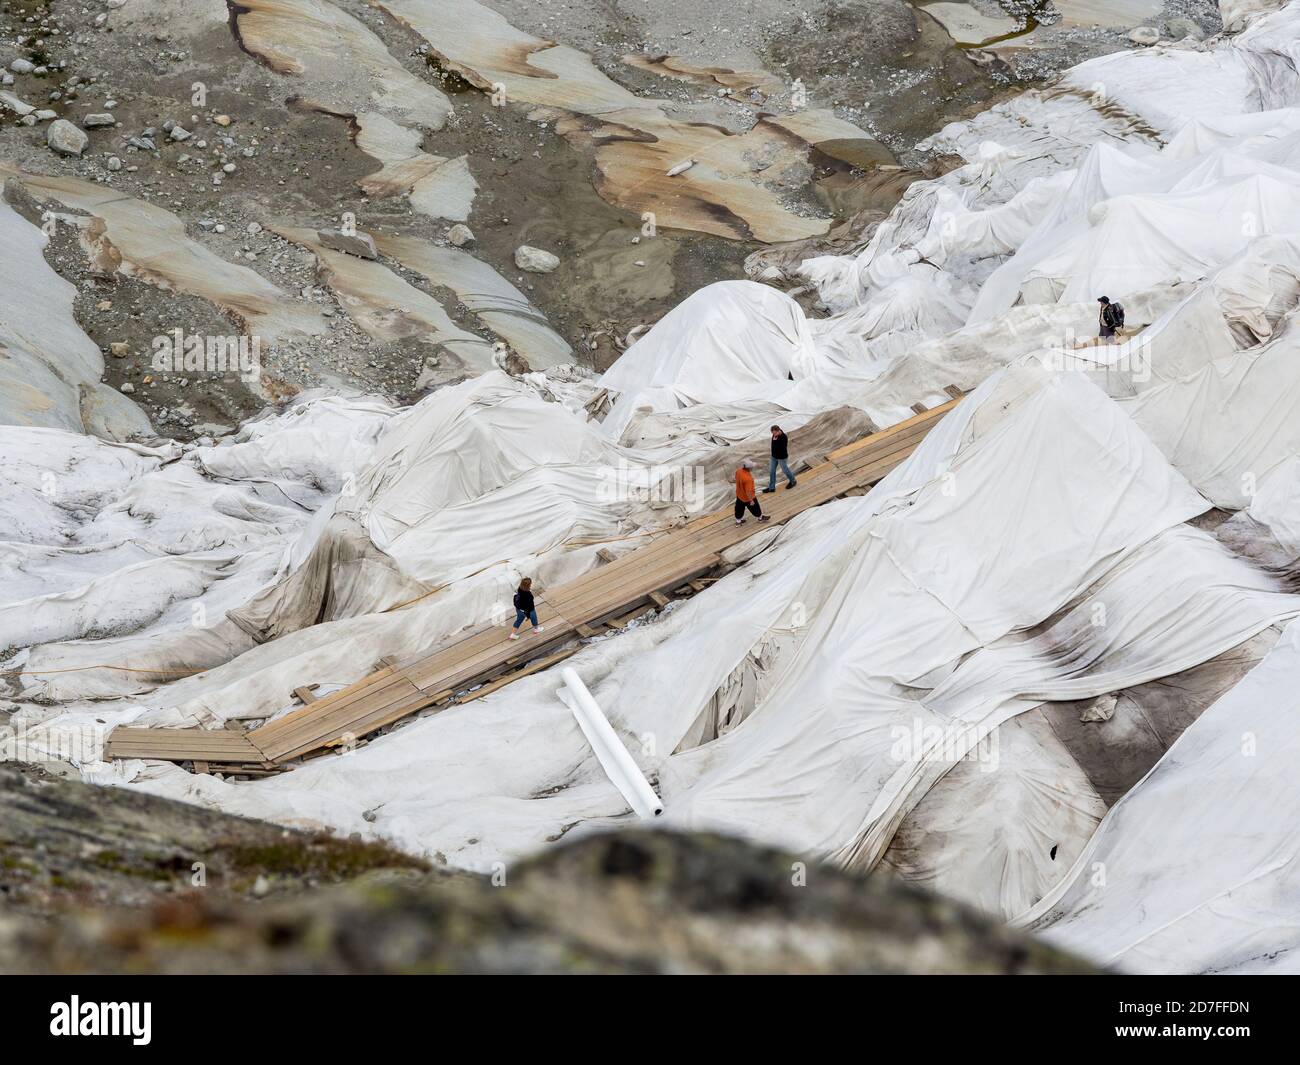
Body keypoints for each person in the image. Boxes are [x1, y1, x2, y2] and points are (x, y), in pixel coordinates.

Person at [734, 459, 771, 526]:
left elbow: (736, 478)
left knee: (739, 508)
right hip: (748, 497)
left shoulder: (738, 471)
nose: (753, 468)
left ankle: (738, 521)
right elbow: (748, 491)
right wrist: (751, 500)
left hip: (739, 494)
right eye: (752, 467)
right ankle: (760, 518)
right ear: (749, 468)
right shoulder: (748, 479)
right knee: (755, 508)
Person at [763, 424, 796, 493]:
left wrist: (775, 440)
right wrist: (775, 439)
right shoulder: (775, 435)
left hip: (782, 457)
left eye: (774, 433)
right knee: (772, 472)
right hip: (774, 457)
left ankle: (793, 481)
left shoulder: (784, 437)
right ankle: (771, 488)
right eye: (772, 433)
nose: (773, 434)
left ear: (778, 431)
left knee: (785, 470)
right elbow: (773, 446)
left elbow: (781, 448)